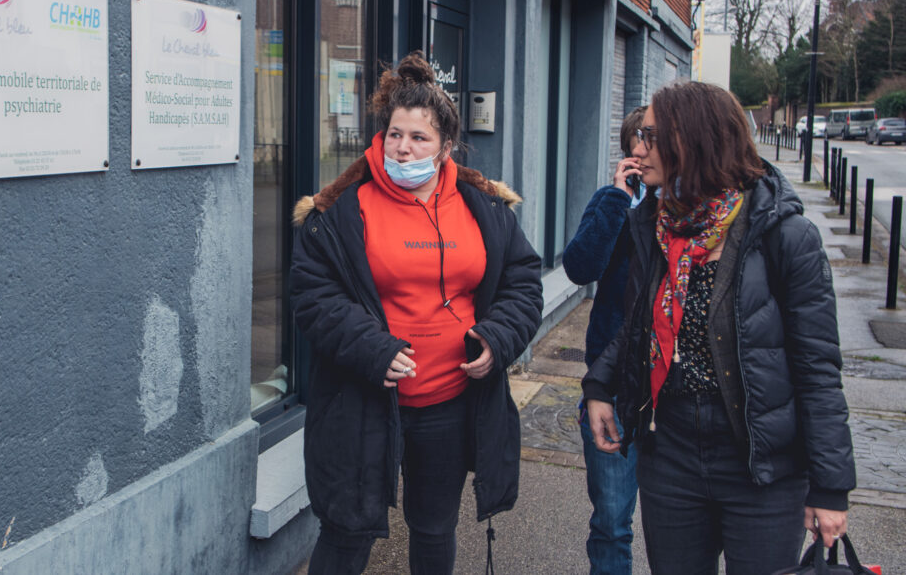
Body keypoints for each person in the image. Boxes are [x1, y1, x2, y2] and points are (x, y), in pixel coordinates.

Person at [582, 81, 856, 575]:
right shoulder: (656, 223)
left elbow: (817, 368)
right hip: (672, 456)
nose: (638, 149)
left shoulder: (785, 234)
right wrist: (601, 384)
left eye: (650, 136)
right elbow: (644, 321)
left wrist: (830, 489)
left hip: (761, 467)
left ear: (693, 140)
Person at [291, 52, 543, 574]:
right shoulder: (341, 211)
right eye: (394, 134)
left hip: (447, 404)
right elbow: (314, 295)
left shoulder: (483, 206)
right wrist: (373, 348)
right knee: (347, 532)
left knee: (433, 529)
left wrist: (497, 338)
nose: (403, 147)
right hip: (362, 403)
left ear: (447, 146)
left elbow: (523, 283)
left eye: (419, 138)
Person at [563, 106, 645, 575]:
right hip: (611, 383)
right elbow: (580, 267)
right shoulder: (611, 201)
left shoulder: (689, 210)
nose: (641, 151)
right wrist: (618, 198)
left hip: (671, 391)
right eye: (635, 141)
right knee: (613, 521)